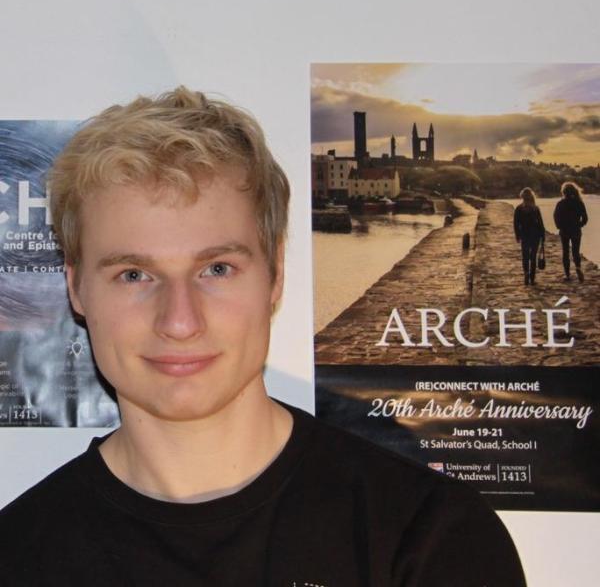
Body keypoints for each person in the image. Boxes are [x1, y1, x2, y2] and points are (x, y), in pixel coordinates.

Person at [0, 87, 526, 586]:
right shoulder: (18, 556)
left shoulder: (431, 540)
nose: (180, 321)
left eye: (217, 269)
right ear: (76, 289)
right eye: (134, 275)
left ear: (275, 274)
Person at [554, 181, 588, 282]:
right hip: (576, 230)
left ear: (564, 192)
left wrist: (559, 226)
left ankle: (567, 275)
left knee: (565, 252)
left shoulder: (560, 203)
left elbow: (556, 216)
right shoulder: (579, 203)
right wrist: (579, 225)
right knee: (575, 252)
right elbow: (585, 218)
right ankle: (578, 268)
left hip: (564, 230)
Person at [513, 187, 545, 285]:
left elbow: (516, 224)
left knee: (525, 256)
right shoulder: (535, 208)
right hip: (535, 235)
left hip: (524, 235)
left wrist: (517, 235)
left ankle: (526, 273)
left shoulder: (519, 208)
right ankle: (532, 278)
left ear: (522, 197)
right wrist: (543, 235)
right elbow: (540, 223)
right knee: (533, 257)